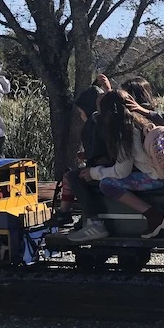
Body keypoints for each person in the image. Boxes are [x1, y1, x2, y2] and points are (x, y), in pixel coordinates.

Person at [87, 89, 164, 239]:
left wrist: (94, 173)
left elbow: (122, 172)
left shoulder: (125, 133)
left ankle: (155, 216)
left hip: (162, 177)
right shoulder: (143, 121)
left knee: (107, 184)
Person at [54, 86, 111, 241]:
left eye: (81, 112)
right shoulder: (104, 122)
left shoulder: (93, 124)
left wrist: (91, 162)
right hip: (108, 166)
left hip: (107, 169)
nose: (80, 115)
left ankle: (93, 221)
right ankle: (80, 217)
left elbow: (100, 152)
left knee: (74, 177)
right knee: (74, 175)